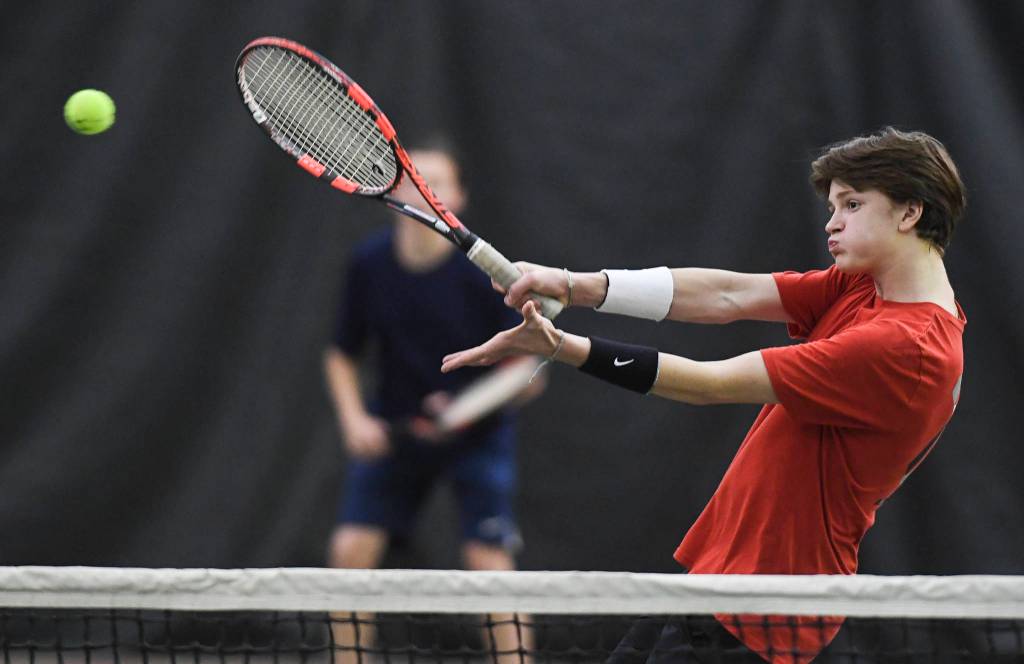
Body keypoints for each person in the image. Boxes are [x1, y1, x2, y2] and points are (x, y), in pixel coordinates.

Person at [440, 128, 966, 663]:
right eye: (833, 205)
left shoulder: (905, 346)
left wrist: (562, 346)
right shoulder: (866, 286)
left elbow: (709, 382)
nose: (832, 222)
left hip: (767, 611)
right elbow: (727, 294)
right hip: (718, 581)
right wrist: (572, 285)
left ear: (909, 214)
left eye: (852, 204)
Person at [323, 139, 544, 661]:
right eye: (412, 178)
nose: (422, 189)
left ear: (457, 198)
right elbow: (341, 354)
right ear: (393, 189)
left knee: (489, 559)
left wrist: (471, 408)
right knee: (349, 550)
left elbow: (529, 372)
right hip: (396, 429)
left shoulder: (486, 274)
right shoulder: (369, 264)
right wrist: (355, 420)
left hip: (478, 437)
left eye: (436, 181)